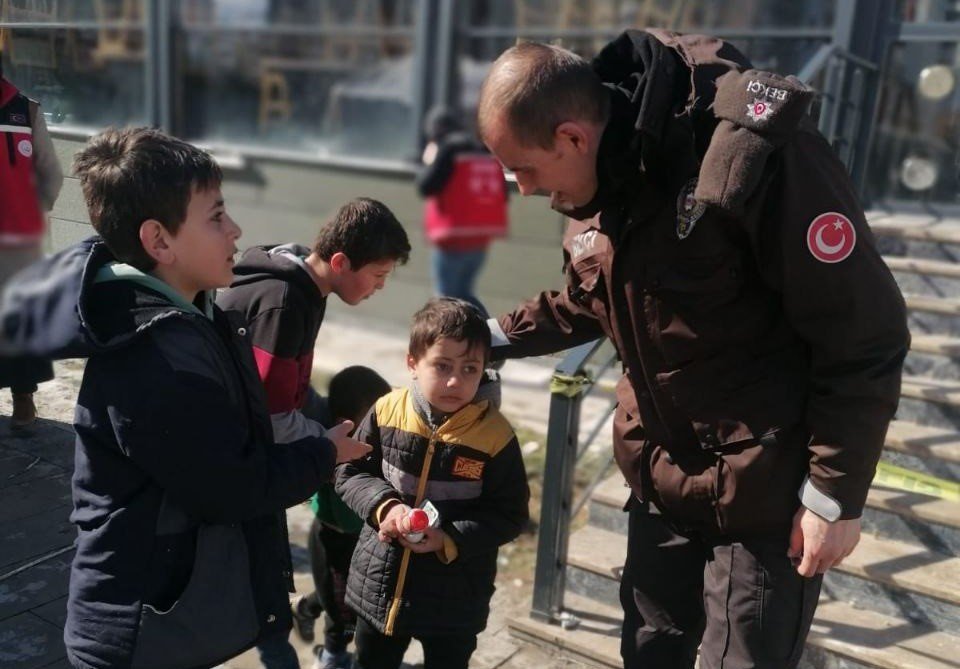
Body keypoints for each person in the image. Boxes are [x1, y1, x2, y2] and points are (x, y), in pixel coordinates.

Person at [476, 31, 909, 669]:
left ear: (571, 137)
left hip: (763, 500)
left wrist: (835, 494)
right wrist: (484, 336)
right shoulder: (596, 187)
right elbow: (587, 299)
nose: (519, 188)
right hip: (662, 481)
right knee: (649, 655)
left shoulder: (752, 152)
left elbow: (863, 330)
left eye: (524, 168)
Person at [0, 127, 371, 669]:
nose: (236, 230)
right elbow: (231, 487)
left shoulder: (199, 312)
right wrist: (324, 454)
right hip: (140, 633)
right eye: (216, 216)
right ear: (159, 241)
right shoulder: (154, 356)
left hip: (174, 623)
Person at [216, 198, 410, 669]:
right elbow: (274, 418)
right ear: (341, 262)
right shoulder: (284, 303)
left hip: (253, 443)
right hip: (235, 460)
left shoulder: (302, 282)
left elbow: (290, 395)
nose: (380, 288)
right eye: (378, 277)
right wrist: (329, 447)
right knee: (250, 594)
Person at [336, 297, 530, 669]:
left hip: (455, 596)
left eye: (470, 368)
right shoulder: (386, 410)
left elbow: (509, 514)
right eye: (442, 366)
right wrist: (385, 507)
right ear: (412, 363)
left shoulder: (496, 436)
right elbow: (349, 471)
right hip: (381, 585)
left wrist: (450, 538)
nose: (455, 381)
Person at [291, 366, 392, 669]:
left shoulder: (377, 445)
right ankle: (332, 658)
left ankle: (306, 609)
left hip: (363, 541)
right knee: (341, 611)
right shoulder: (332, 453)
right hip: (332, 542)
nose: (384, 426)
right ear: (343, 425)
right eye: (375, 417)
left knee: (348, 598)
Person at [0, 59, 63, 427]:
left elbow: (50, 175)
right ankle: (24, 404)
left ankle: (24, 401)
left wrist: (30, 211)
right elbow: (50, 175)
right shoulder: (25, 109)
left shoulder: (26, 110)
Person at [416, 106, 508, 318]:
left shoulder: (448, 149)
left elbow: (426, 186)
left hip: (453, 238)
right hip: (480, 238)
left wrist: (429, 160)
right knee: (464, 294)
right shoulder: (482, 150)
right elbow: (502, 193)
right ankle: (488, 336)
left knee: (445, 298)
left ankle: (472, 342)